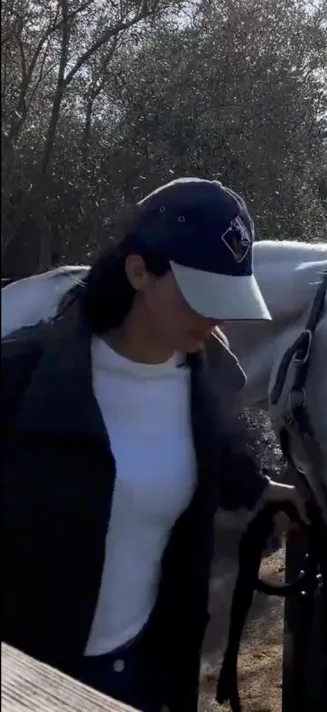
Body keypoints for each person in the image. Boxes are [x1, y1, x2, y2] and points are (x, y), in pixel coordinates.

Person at [2, 178, 305, 712]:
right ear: (138, 270)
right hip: (30, 682)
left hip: (149, 674)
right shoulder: (19, 380)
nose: (216, 317)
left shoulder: (208, 377)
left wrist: (260, 490)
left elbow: (209, 450)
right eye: (199, 294)